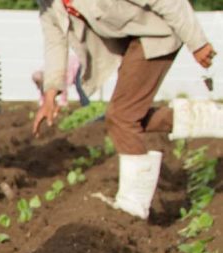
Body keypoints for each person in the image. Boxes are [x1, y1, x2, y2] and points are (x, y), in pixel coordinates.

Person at [32, 0, 220, 219]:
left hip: (157, 35)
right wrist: (50, 95)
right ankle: (213, 118)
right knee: (130, 117)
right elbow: (55, 43)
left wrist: (197, 43)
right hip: (134, 41)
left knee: (121, 116)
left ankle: (134, 206)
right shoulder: (48, 5)